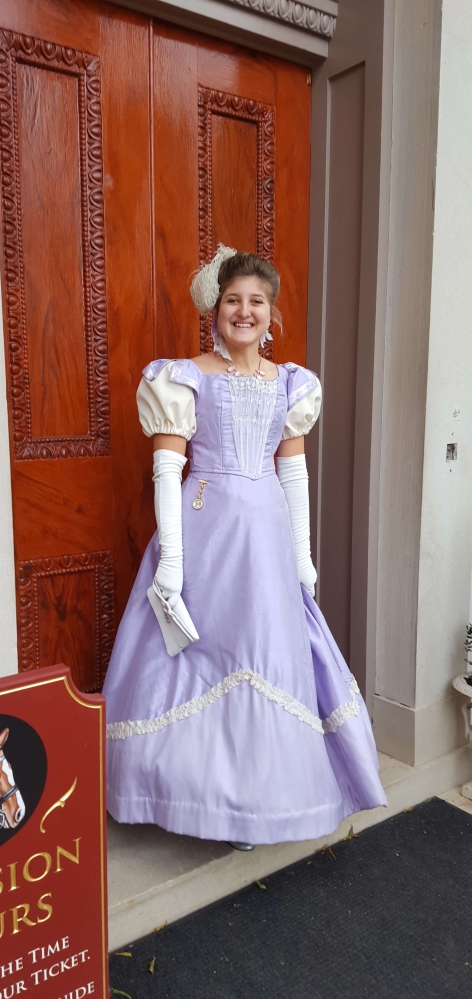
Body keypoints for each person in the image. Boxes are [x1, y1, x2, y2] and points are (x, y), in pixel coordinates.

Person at [102, 246, 387, 851]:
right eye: (234, 299)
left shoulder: (290, 384)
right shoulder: (184, 377)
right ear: (216, 306)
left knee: (263, 658)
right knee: (200, 659)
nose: (245, 311)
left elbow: (293, 475)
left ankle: (253, 808)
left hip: (264, 544)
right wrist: (172, 563)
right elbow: (166, 468)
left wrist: (303, 556)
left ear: (271, 314)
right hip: (207, 538)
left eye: (257, 302)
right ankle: (187, 799)